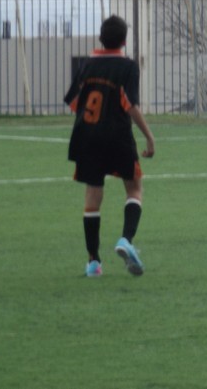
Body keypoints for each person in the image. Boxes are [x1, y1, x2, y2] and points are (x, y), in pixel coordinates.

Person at [65, 15, 155, 277]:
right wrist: (149, 137)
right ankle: (126, 239)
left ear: (100, 38)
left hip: (87, 136)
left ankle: (93, 262)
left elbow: (74, 102)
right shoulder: (128, 66)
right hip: (117, 135)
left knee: (93, 195)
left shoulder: (87, 64)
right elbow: (131, 105)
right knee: (134, 187)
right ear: (124, 41)